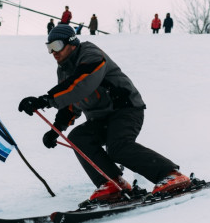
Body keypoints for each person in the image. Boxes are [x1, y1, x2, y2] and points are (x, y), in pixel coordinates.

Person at [17, 24, 192, 203]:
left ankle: (171, 175)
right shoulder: (63, 69)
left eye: (57, 46)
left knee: (118, 147)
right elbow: (70, 102)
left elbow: (80, 85)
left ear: (71, 43)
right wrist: (56, 129)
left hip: (125, 110)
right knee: (78, 137)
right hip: (100, 118)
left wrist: (45, 100)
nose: (53, 52)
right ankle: (113, 183)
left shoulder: (91, 54)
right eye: (49, 48)